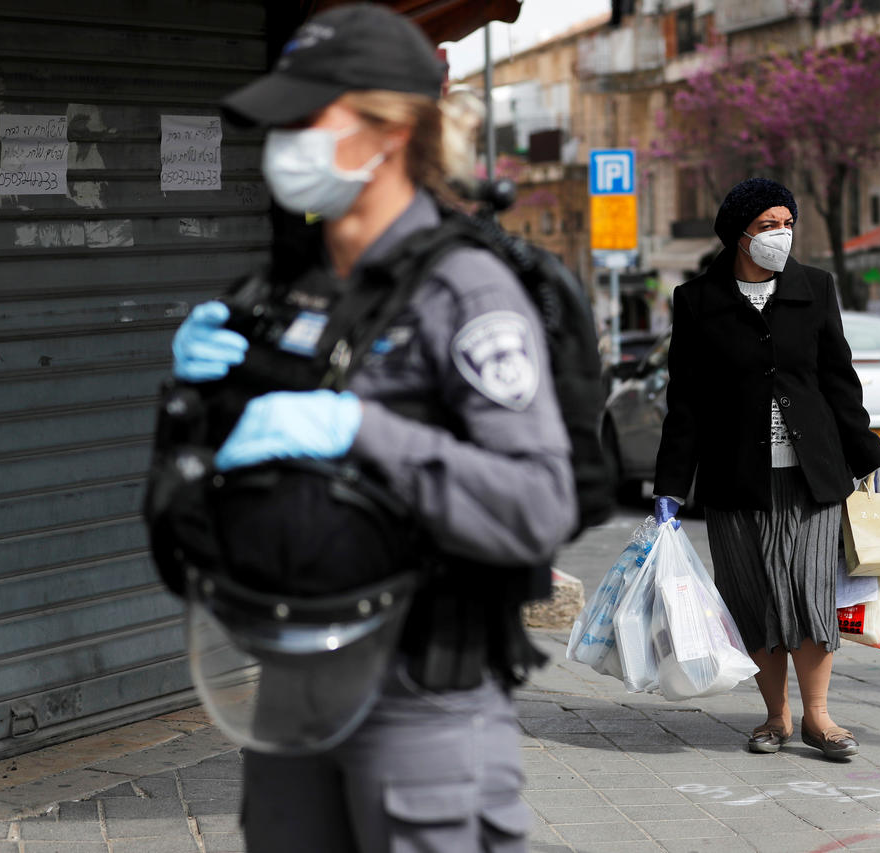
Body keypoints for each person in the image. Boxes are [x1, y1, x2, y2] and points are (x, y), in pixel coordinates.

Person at [169, 4, 576, 850]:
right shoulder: (293, 291)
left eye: (306, 116)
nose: (284, 139)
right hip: (291, 683)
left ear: (389, 131)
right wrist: (195, 397)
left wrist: (355, 426)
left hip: (423, 699)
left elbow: (539, 502)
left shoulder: (467, 291)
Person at [652, 177, 880, 760]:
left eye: (788, 222)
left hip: (811, 476)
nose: (782, 234)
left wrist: (873, 453)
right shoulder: (697, 301)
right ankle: (775, 718)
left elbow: (840, 384)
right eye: (769, 224)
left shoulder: (816, 289)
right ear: (740, 235)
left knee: (810, 593)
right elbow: (685, 403)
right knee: (755, 597)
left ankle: (820, 719)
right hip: (734, 478)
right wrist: (669, 488)